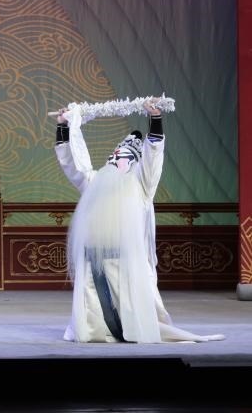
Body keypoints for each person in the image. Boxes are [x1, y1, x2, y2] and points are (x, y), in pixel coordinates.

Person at [55, 98, 225, 343]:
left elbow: (153, 157)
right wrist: (63, 126)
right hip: (95, 259)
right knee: (93, 304)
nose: (117, 162)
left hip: (128, 259)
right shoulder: (95, 181)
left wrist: (155, 119)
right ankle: (96, 330)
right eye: (115, 157)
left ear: (133, 162)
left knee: (133, 304)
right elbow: (72, 165)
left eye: (123, 159)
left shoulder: (141, 185)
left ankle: (133, 328)